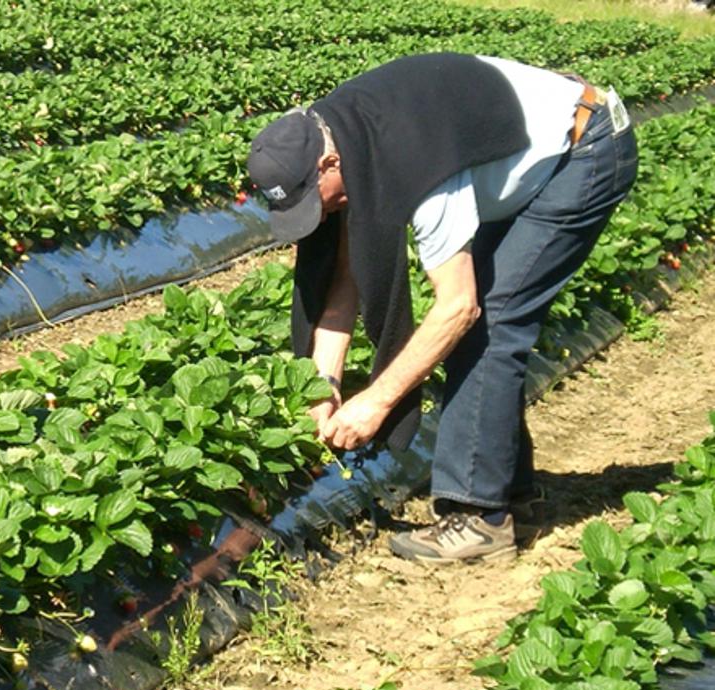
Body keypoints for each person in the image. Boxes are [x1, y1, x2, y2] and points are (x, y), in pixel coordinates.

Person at [246, 53, 637, 563]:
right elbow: (344, 278)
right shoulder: (338, 135)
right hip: (518, 151)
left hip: (582, 153)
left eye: (315, 202)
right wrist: (325, 388)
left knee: (490, 324)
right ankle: (515, 496)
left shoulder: (413, 164)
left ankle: (482, 518)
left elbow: (459, 308)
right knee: (489, 315)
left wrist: (378, 400)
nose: (319, 215)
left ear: (328, 164)